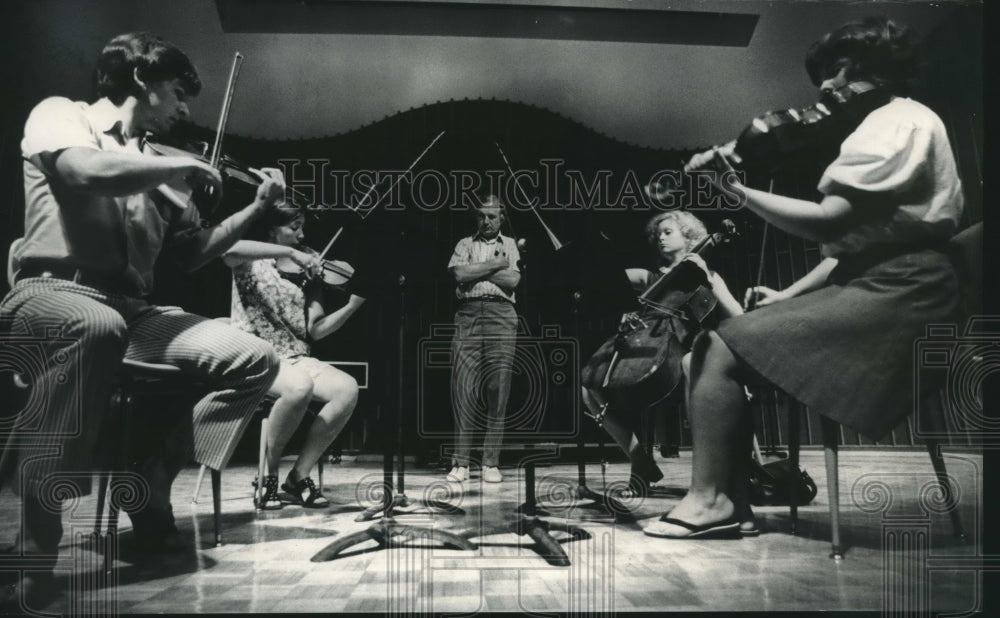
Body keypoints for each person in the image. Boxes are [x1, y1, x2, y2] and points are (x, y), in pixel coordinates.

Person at [644, 15, 963, 538]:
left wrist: (736, 191)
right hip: (885, 283)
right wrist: (788, 295)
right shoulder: (895, 122)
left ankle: (713, 501)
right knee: (717, 345)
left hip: (905, 295)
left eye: (838, 72)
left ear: (875, 68)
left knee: (717, 347)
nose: (827, 87)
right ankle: (731, 501)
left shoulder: (896, 123)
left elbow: (831, 220)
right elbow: (852, 251)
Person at [0, 32, 285, 609]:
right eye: (179, 93)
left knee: (254, 358)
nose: (185, 110)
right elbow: (81, 171)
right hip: (50, 292)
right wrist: (171, 167)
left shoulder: (160, 166)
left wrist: (254, 208)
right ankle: (34, 547)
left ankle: (148, 482)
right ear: (141, 80)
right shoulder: (64, 116)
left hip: (132, 310)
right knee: (94, 327)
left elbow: (194, 252)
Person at [581, 211, 742, 496]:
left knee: (684, 367)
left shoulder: (709, 277)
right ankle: (640, 460)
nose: (660, 238)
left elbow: (738, 314)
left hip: (684, 352)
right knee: (589, 388)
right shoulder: (650, 277)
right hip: (644, 345)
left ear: (690, 236)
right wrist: (624, 311)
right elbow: (605, 282)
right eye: (658, 234)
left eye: (668, 232)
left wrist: (706, 275)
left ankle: (702, 480)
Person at [225, 205, 364, 509]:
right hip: (256, 354)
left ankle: (298, 475)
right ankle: (267, 475)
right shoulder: (248, 261)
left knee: (347, 388)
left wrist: (352, 306)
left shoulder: (307, 274)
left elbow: (316, 330)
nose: (302, 235)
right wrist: (294, 254)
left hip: (295, 356)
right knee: (299, 386)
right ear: (272, 229)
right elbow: (228, 248)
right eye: (294, 227)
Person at [445, 195, 521, 484]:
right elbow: (459, 274)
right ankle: (461, 462)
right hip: (467, 315)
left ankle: (491, 461)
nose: (486, 221)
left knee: (498, 388)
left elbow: (512, 281)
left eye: (491, 216)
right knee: (463, 387)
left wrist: (478, 272)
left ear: (502, 217)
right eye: (480, 216)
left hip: (502, 314)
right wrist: (494, 265)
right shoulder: (465, 243)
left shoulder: (511, 244)